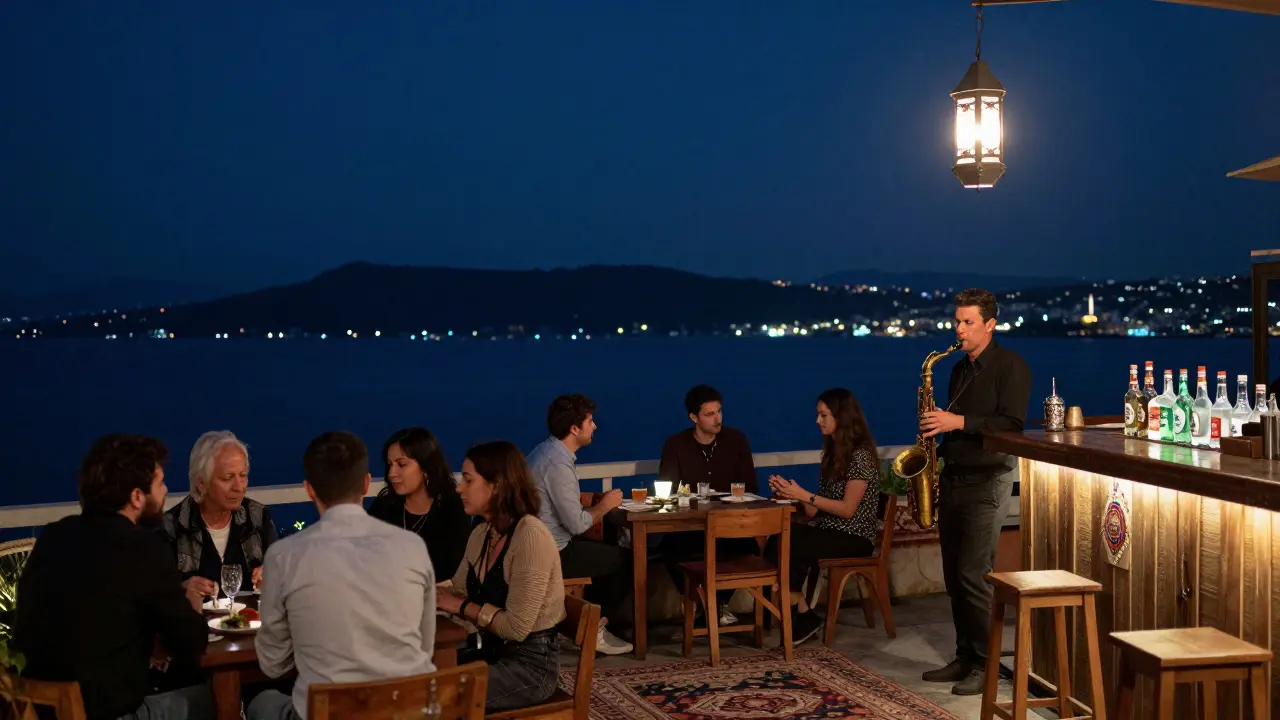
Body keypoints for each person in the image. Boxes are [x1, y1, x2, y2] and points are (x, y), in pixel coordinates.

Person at [15, 434, 211, 720]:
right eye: (160, 483)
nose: (166, 490)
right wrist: (190, 601)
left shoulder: (53, 537)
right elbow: (191, 642)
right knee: (211, 699)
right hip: (106, 713)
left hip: (36, 710)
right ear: (136, 496)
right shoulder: (142, 548)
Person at [248, 431, 437, 720]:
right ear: (364, 483)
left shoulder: (285, 556)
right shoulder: (412, 547)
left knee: (261, 704)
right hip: (408, 711)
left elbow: (272, 664)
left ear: (309, 489)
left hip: (330, 712)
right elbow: (423, 646)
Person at [918, 288, 1032, 696]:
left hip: (989, 480)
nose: (959, 329)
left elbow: (1012, 425)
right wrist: (932, 455)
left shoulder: (1010, 367)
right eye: (957, 321)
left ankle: (987, 666)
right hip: (954, 478)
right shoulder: (957, 369)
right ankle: (965, 655)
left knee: (972, 574)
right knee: (953, 575)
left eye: (968, 322)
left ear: (990, 324)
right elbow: (952, 424)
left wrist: (957, 421)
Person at [437, 441, 567, 712]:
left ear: (496, 485)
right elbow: (457, 587)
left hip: (530, 667)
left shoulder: (530, 536)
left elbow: (517, 628)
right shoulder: (483, 533)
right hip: (492, 652)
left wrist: (461, 606)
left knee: (440, 696)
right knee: (421, 678)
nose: (459, 488)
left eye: (468, 480)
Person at [766, 388, 882, 646]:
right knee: (782, 535)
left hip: (854, 536)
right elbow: (815, 510)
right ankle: (800, 607)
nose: (818, 421)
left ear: (841, 417)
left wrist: (805, 495)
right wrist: (791, 494)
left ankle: (793, 603)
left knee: (794, 540)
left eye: (823, 415)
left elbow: (847, 509)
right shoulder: (833, 453)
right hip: (829, 530)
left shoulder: (861, 455)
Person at [526, 394, 633, 655]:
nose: (594, 426)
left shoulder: (543, 451)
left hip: (536, 543)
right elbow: (576, 524)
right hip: (551, 552)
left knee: (608, 547)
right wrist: (605, 505)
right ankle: (591, 628)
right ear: (574, 429)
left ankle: (589, 624)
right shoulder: (558, 464)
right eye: (590, 421)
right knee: (626, 560)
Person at [656, 384, 761, 628]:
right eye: (709, 414)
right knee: (671, 549)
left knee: (746, 546)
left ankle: (717, 603)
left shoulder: (736, 440)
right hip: (690, 525)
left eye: (719, 412)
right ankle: (704, 603)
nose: (717, 419)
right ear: (694, 417)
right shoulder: (677, 444)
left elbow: (750, 485)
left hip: (729, 524)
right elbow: (668, 489)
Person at [160, 431, 277, 601]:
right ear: (201, 484)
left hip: (250, 624)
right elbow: (155, 594)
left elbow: (282, 574)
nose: (239, 487)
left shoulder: (258, 517)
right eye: (227, 477)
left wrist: (271, 574)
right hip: (196, 624)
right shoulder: (171, 526)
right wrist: (181, 590)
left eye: (243, 476)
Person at [368, 427, 472, 579]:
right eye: (390, 464)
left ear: (426, 468)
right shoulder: (383, 506)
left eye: (401, 464)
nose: (392, 474)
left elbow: (456, 573)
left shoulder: (452, 509)